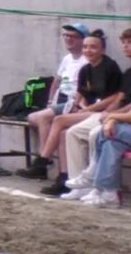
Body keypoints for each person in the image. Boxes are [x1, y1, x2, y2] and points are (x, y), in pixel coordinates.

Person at [36, 31, 121, 197]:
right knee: (64, 134)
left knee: (59, 120)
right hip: (89, 111)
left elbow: (115, 97)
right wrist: (82, 106)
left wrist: (89, 109)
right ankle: (69, 180)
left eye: (93, 47)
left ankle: (42, 161)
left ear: (102, 50)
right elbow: (81, 95)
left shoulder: (110, 67)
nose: (88, 50)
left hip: (102, 112)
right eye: (85, 47)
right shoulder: (85, 69)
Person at [58, 28, 131, 199]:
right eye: (124, 42)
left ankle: (93, 181)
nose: (125, 46)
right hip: (119, 119)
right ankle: (101, 191)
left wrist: (111, 117)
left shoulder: (110, 67)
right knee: (75, 133)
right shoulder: (129, 73)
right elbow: (120, 100)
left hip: (121, 121)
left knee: (99, 134)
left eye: (129, 42)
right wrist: (109, 114)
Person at [24, 23, 90, 179]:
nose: (68, 39)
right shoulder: (67, 59)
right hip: (62, 100)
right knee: (32, 117)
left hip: (73, 101)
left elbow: (84, 88)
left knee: (45, 119)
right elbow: (57, 81)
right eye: (66, 36)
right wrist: (49, 102)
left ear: (82, 40)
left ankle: (43, 160)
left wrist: (76, 104)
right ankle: (45, 160)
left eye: (73, 36)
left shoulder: (86, 61)